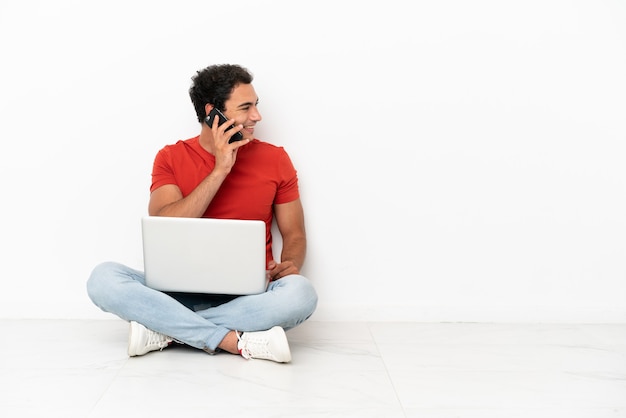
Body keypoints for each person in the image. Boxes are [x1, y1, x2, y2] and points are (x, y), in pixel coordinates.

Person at [86, 64, 318, 363]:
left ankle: (167, 330)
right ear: (212, 112)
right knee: (103, 278)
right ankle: (230, 340)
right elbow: (164, 223)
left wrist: (290, 263)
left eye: (256, 105)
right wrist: (221, 168)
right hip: (175, 290)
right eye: (246, 107)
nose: (257, 116)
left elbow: (295, 234)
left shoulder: (275, 158)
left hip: (250, 294)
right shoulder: (170, 157)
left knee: (301, 294)